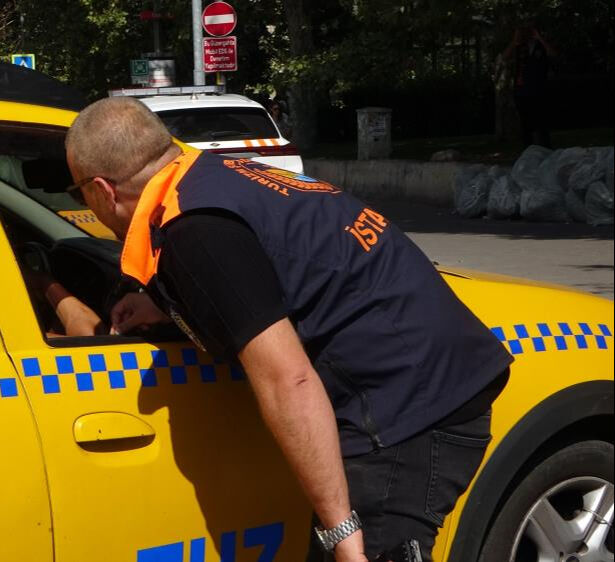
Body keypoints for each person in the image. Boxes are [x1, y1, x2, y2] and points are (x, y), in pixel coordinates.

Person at [64, 97, 513, 562]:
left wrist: (342, 532)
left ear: (101, 189)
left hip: (408, 405)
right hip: (435, 366)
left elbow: (289, 380)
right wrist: (163, 302)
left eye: (79, 195)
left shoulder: (195, 232)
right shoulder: (216, 176)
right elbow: (272, 268)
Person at [503, 23, 557, 148]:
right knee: (525, 123)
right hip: (522, 90)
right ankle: (528, 148)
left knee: (541, 121)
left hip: (538, 88)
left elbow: (553, 54)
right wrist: (514, 40)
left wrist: (539, 38)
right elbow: (505, 57)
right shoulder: (519, 47)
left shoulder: (540, 46)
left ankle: (545, 147)